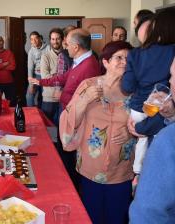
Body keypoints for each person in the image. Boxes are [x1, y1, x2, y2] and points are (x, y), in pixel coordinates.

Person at [59, 41, 134, 224]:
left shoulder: (135, 91)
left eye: (128, 58)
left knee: (116, 218)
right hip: (91, 168)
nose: (125, 61)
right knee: (91, 217)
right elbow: (67, 119)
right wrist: (85, 100)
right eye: (119, 57)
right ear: (106, 62)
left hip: (121, 171)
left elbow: (148, 125)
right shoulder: (89, 85)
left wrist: (132, 133)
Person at [29, 28, 101, 190]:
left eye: (67, 43)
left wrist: (60, 97)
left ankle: (71, 186)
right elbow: (63, 78)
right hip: (68, 112)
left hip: (78, 119)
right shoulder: (79, 61)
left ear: (76, 47)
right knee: (64, 149)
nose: (64, 46)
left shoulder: (89, 66)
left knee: (70, 153)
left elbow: (85, 100)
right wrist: (40, 82)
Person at [122, 8, 175, 180]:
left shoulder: (136, 54)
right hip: (160, 106)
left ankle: (137, 173)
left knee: (142, 141)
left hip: (139, 107)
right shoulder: (171, 51)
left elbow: (127, 86)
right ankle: (139, 174)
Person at [129, 57, 175, 224]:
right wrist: (171, 116)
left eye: (172, 75)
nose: (169, 81)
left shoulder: (167, 140)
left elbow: (146, 214)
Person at [40, 27, 64, 126]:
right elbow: (45, 77)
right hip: (49, 98)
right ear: (50, 40)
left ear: (62, 39)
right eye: (53, 39)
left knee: (62, 127)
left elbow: (72, 75)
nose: (55, 41)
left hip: (64, 97)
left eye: (57, 39)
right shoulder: (45, 56)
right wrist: (62, 76)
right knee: (48, 127)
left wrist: (54, 75)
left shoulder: (68, 55)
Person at [0, 35, 16, 106]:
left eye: (0, 41)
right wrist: (5, 64)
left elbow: (13, 67)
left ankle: (11, 117)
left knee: (11, 103)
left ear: (3, 41)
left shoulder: (9, 53)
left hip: (9, 82)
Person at [26, 31, 49, 107]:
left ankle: (43, 114)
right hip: (36, 75)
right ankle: (30, 114)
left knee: (45, 97)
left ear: (40, 38)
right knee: (29, 95)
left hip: (46, 75)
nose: (34, 41)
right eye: (32, 39)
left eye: (35, 38)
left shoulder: (48, 48)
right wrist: (31, 84)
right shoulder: (31, 51)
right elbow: (30, 68)